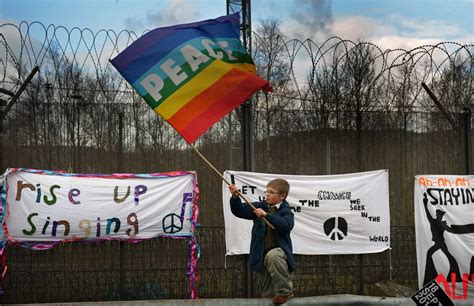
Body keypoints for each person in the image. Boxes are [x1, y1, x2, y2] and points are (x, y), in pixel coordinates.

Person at [229, 178, 296, 305]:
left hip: (279, 255)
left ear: (282, 196)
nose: (267, 194)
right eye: (267, 191)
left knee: (273, 256)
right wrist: (235, 197)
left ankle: (286, 291)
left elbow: (286, 225)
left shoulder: (286, 212)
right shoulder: (259, 206)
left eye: (272, 192)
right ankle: (279, 296)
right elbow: (239, 211)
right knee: (268, 296)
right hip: (261, 257)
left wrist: (266, 215)